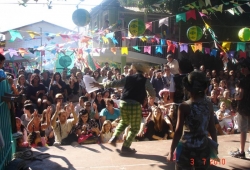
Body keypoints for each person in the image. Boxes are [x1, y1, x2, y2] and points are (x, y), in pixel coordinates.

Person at [91, 63, 156, 154]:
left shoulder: (128, 78)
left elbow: (114, 83)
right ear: (143, 72)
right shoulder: (145, 80)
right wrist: (149, 96)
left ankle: (114, 137)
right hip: (135, 104)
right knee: (135, 128)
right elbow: (152, 93)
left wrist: (100, 85)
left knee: (124, 122)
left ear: (135, 70)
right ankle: (126, 147)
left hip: (123, 103)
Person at [167, 71, 217, 170]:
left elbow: (178, 132)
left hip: (186, 149)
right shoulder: (209, 105)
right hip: (203, 148)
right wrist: (214, 148)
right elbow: (212, 128)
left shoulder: (184, 106)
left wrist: (171, 150)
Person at [230, 60, 250, 158]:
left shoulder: (243, 81)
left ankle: (242, 152)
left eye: (243, 67)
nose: (242, 69)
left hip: (244, 107)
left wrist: (234, 96)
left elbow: (240, 96)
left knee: (243, 129)